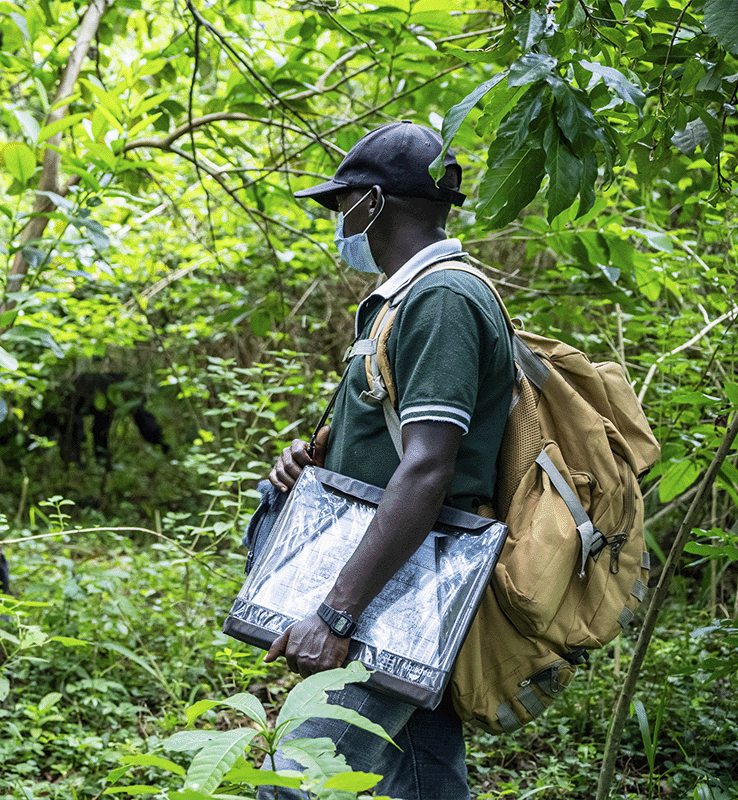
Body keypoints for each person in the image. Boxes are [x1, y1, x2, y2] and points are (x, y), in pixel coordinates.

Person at [262, 121, 514, 799]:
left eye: (343, 202)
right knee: (422, 781)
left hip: (405, 586)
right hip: (398, 576)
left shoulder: (443, 300)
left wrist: (336, 615)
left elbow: (430, 468)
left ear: (373, 202)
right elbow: (391, 438)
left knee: (296, 779)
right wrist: (311, 459)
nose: (341, 220)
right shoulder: (403, 300)